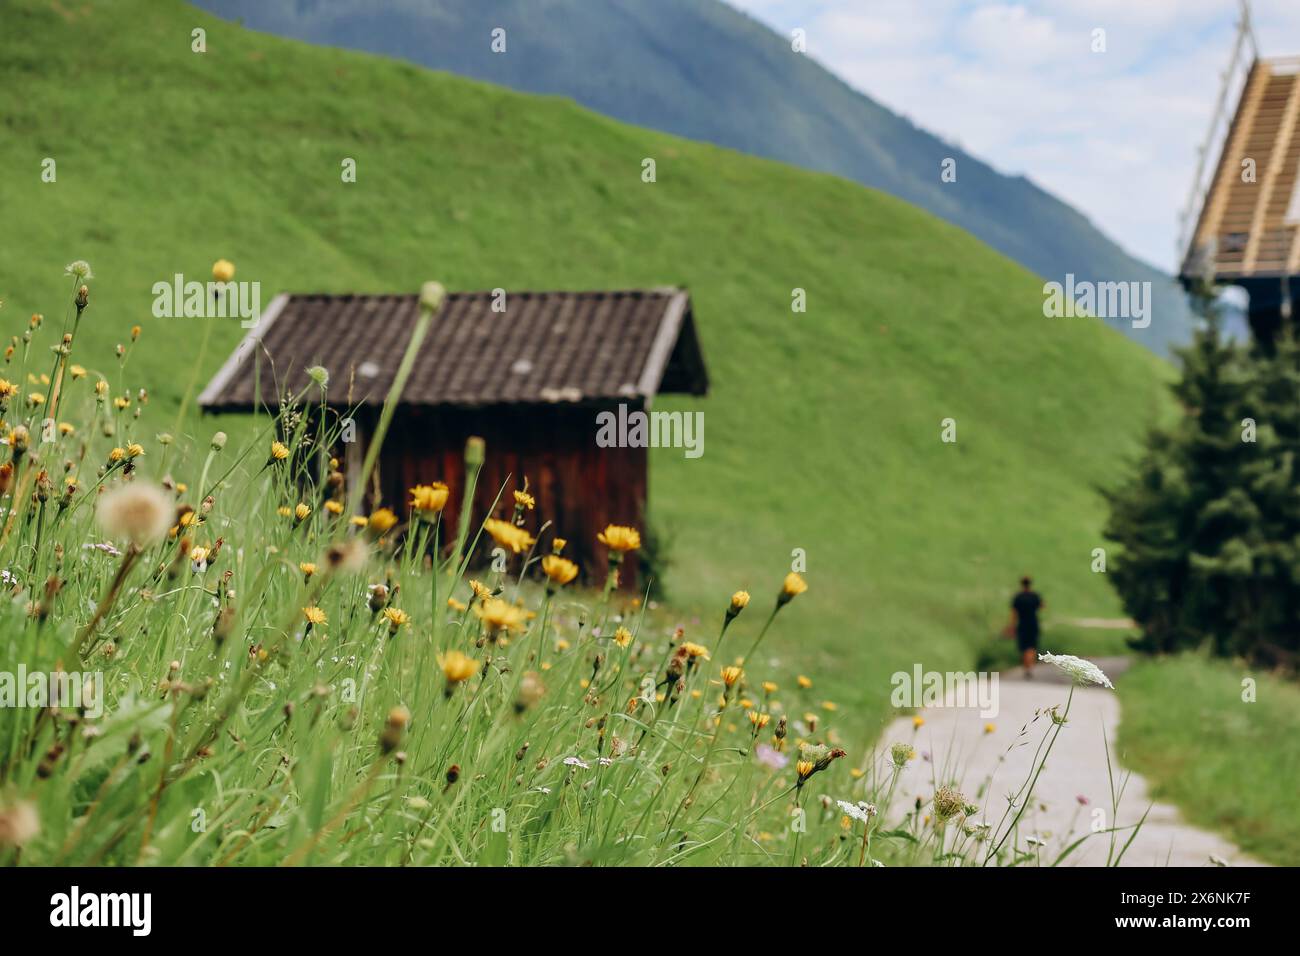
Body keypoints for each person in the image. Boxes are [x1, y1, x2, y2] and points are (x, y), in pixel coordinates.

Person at [1005, 576, 1043, 677]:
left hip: (1022, 623)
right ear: (1030, 584)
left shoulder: (1018, 597)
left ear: (1021, 584)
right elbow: (1042, 606)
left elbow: (1014, 613)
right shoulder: (1035, 596)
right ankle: (1030, 666)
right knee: (1032, 646)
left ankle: (1026, 667)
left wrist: (1012, 626)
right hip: (1033, 623)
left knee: (1024, 647)